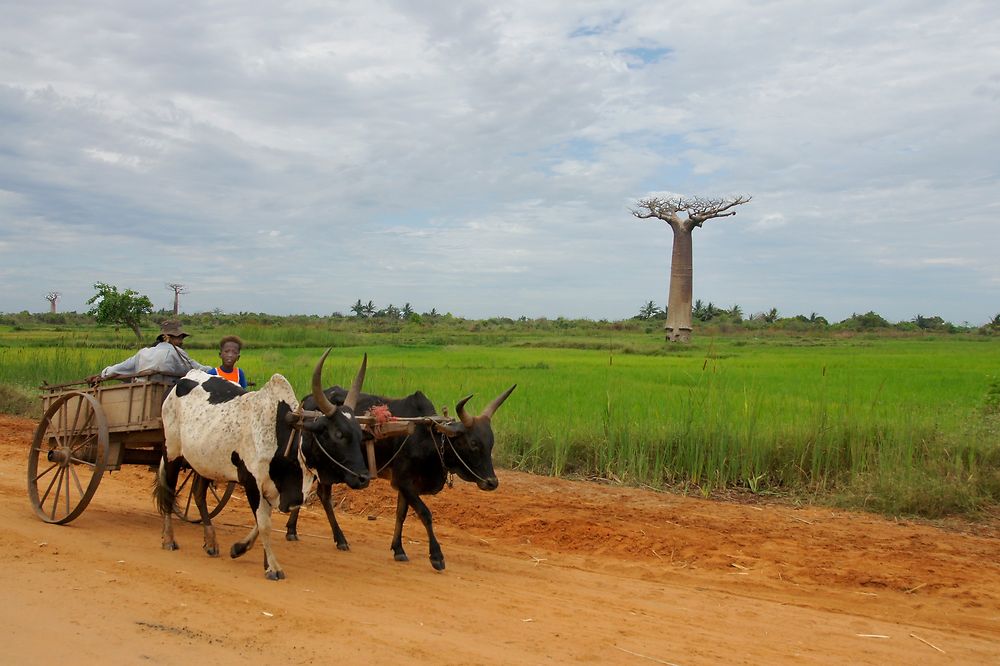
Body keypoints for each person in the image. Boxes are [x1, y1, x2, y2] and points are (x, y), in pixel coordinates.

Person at [90, 320, 213, 385]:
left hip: (140, 393)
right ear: (168, 337)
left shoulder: (143, 353)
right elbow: (196, 370)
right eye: (179, 337)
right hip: (167, 396)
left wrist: (103, 375)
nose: (181, 341)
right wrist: (215, 371)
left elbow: (120, 368)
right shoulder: (177, 353)